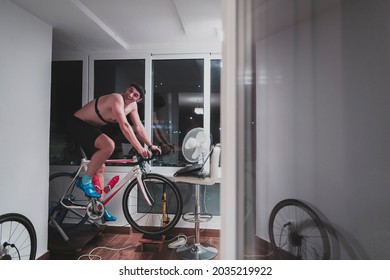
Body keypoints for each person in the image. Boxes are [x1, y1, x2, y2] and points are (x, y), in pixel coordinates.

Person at [67, 83, 161, 221]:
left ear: (138, 100)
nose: (130, 95)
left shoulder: (132, 106)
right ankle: (84, 181)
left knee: (100, 168)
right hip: (77, 124)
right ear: (126, 88)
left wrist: (150, 145)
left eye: (135, 95)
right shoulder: (116, 98)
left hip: (90, 127)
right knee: (108, 145)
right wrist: (140, 149)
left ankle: (99, 207)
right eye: (130, 90)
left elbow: (138, 127)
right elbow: (124, 125)